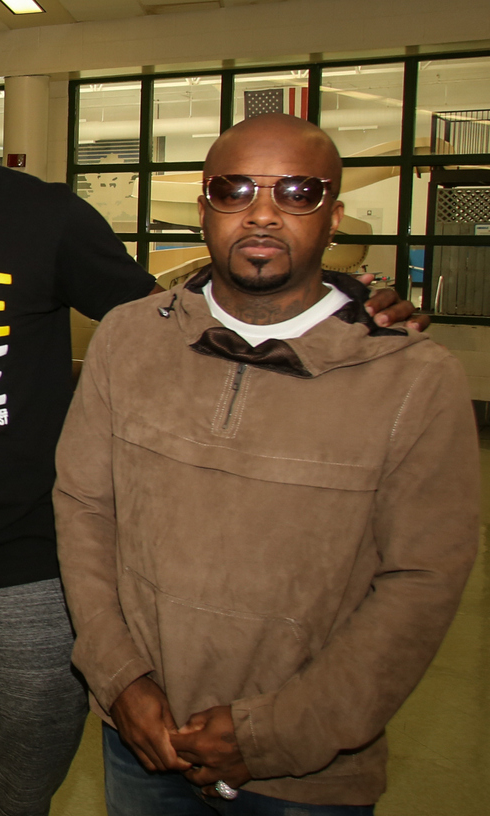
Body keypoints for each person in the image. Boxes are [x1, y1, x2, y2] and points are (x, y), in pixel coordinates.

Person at [0, 27, 427, 816]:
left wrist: (335, 294)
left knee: (11, 793)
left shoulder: (41, 216)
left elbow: (171, 318)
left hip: (26, 576)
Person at [54, 112, 478, 815]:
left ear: (335, 215)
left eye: (297, 193)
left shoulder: (413, 378)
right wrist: (120, 680)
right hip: (141, 741)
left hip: (306, 776)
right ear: (204, 209)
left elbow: (421, 581)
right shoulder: (129, 340)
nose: (262, 214)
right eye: (235, 189)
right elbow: (84, 510)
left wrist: (277, 733)